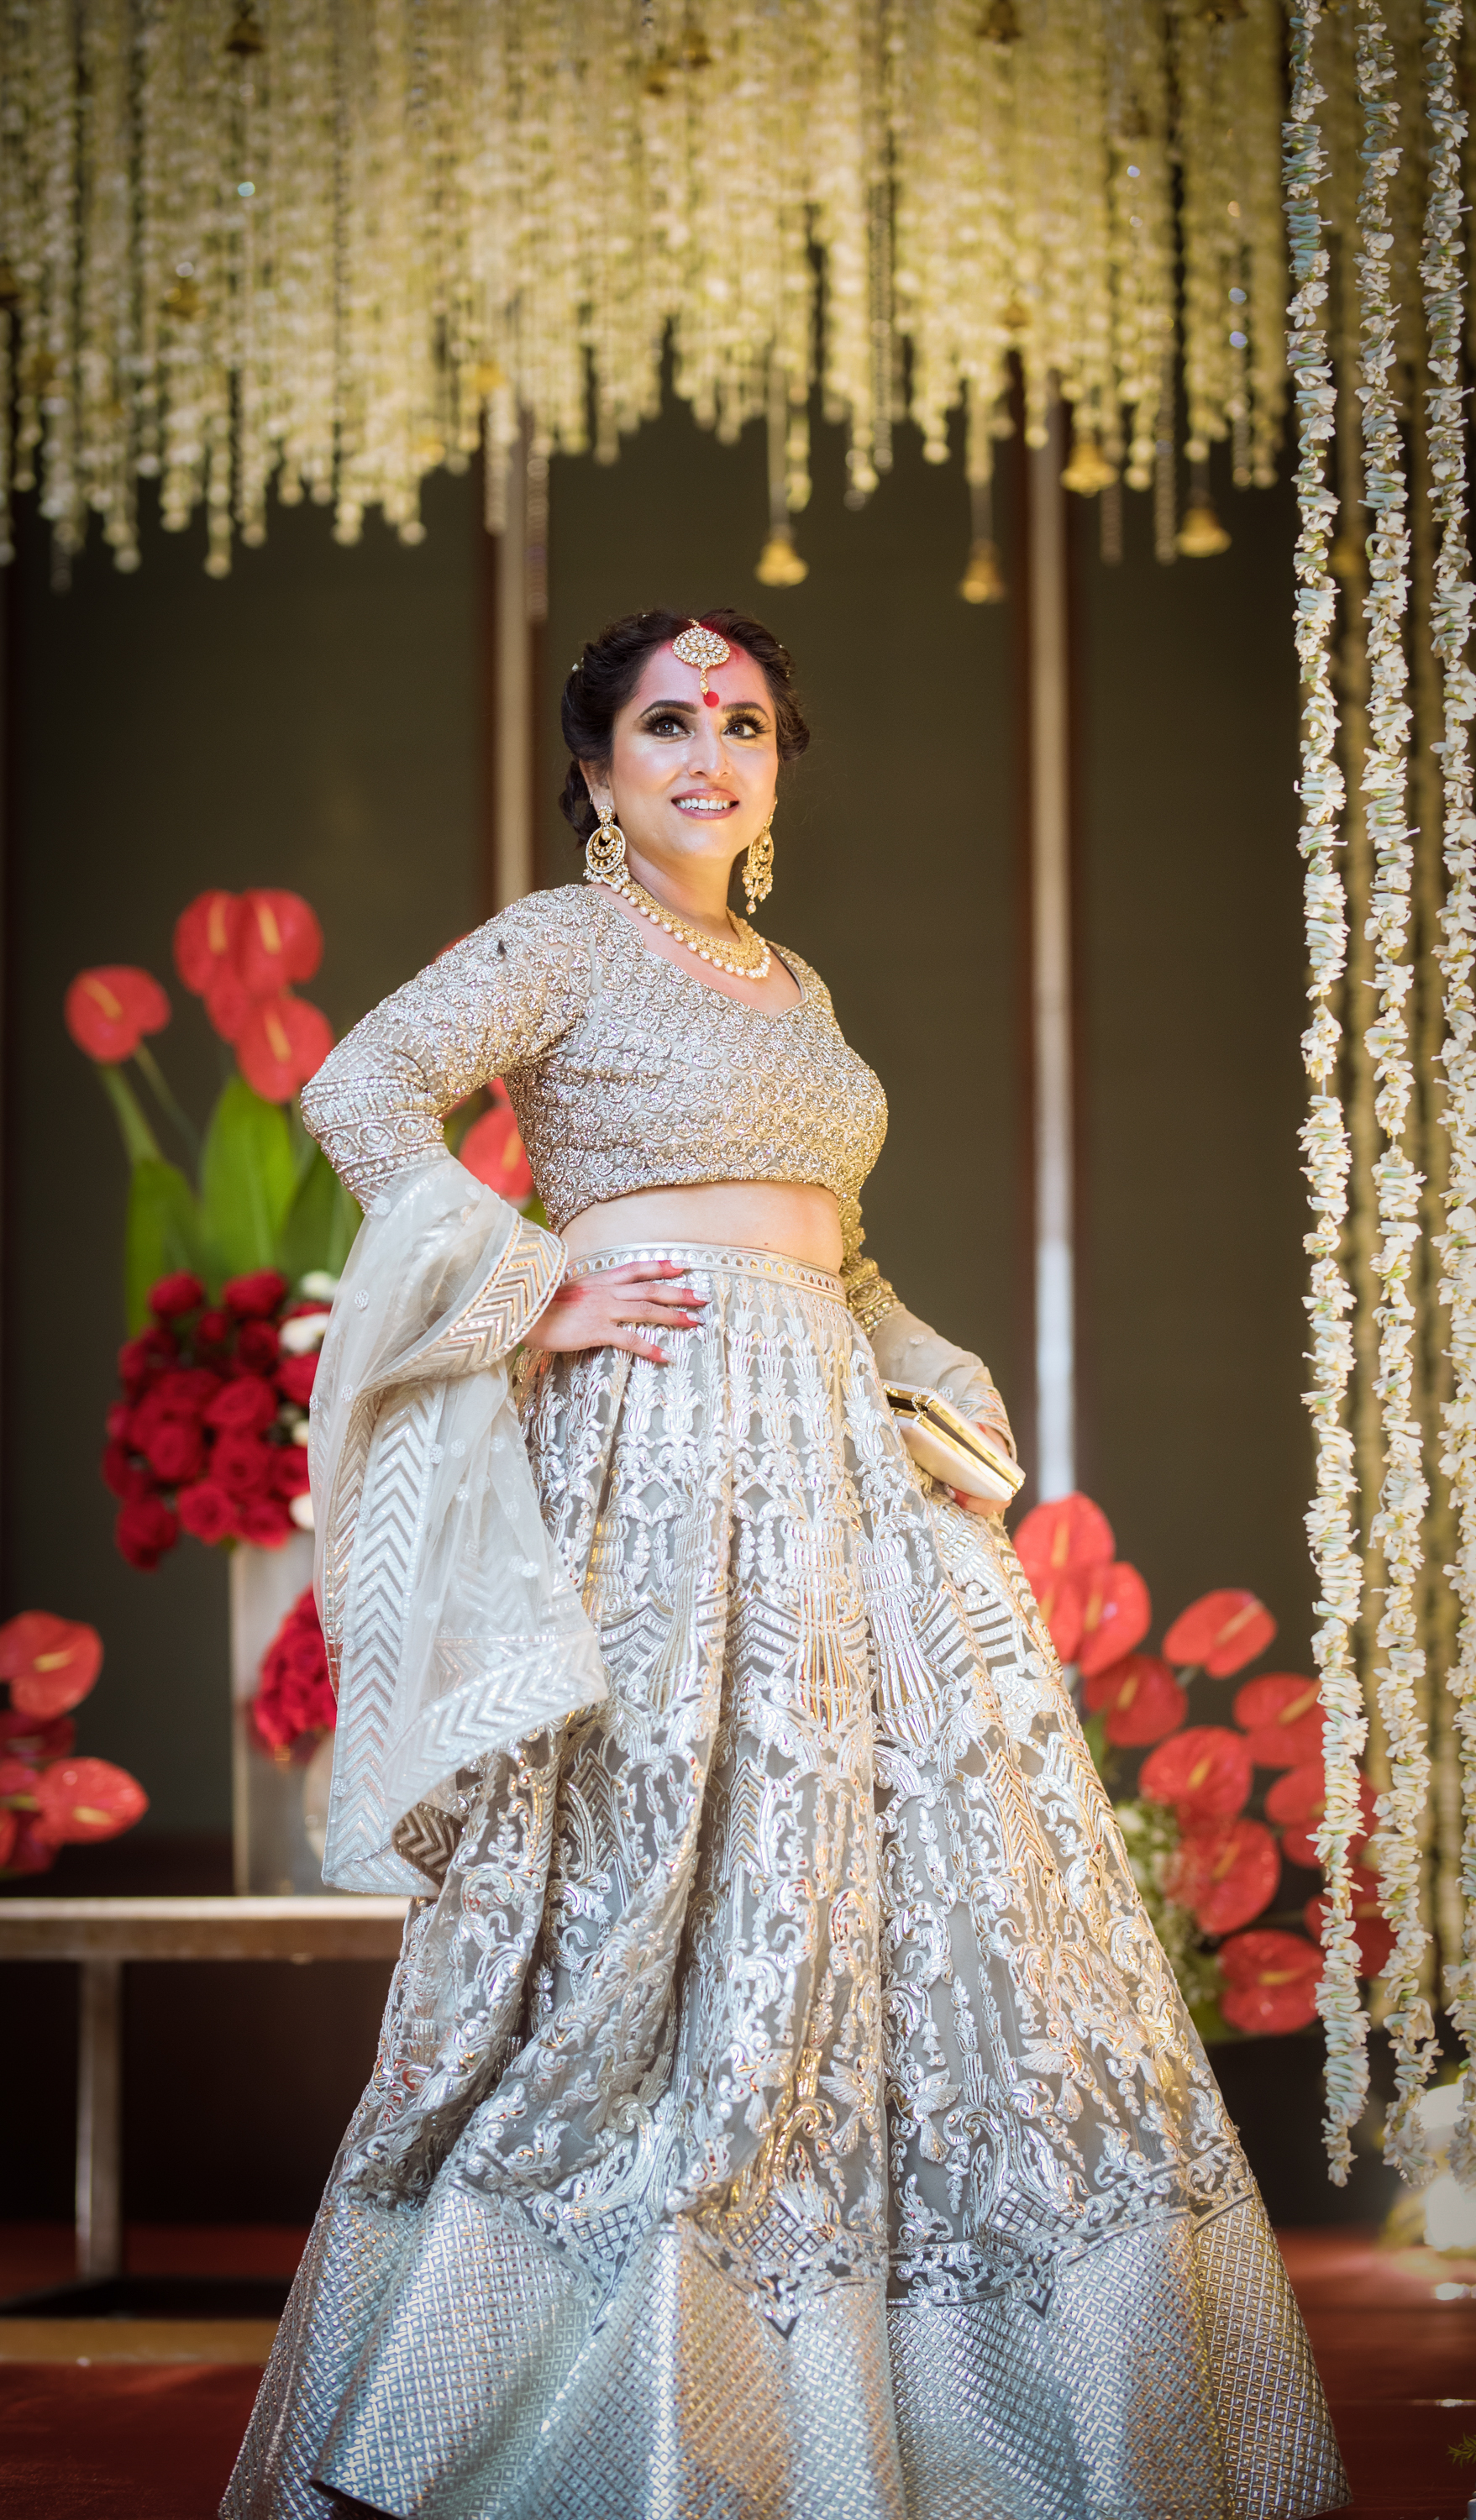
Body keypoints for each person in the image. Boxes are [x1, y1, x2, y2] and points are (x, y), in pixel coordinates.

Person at [223, 609, 1347, 2520]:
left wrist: (918, 1366)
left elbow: (835, 1250)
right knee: (650, 1912)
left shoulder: (792, 983)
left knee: (929, 1918)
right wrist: (528, 1289)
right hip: (662, 1481)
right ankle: (580, 2412)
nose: (709, 753)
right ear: (597, 770)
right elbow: (357, 1096)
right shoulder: (566, 942)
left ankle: (954, 2414)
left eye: (742, 722)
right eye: (667, 721)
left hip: (841, 1495)